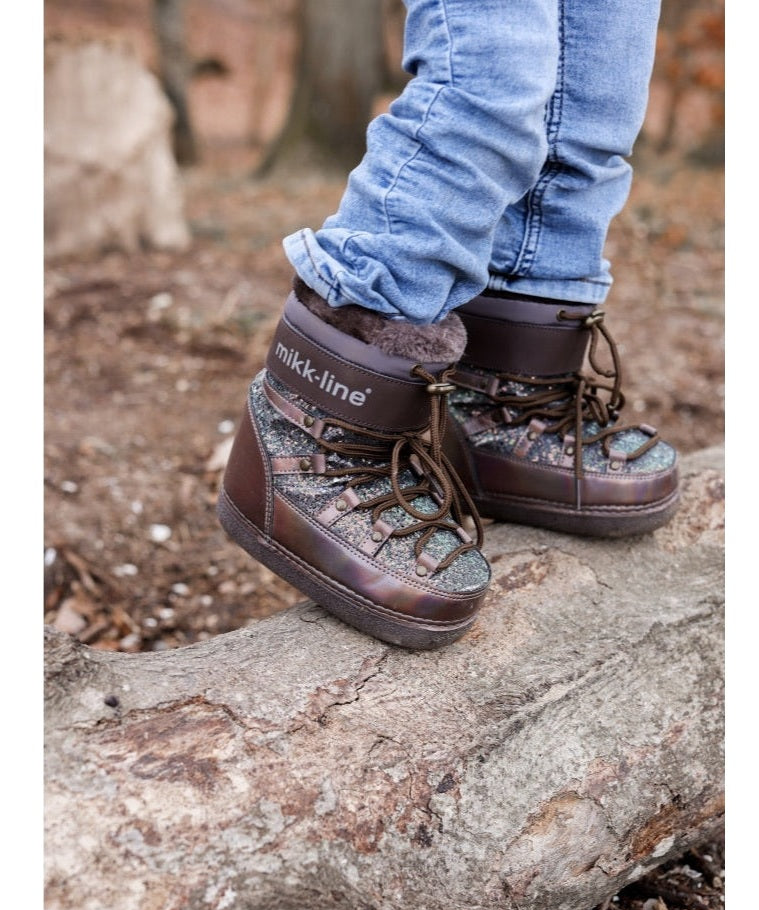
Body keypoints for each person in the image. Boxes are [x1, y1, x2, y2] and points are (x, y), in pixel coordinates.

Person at [217, 0, 678, 650]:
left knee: (589, 114)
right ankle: (310, 428)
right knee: (492, 81)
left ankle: (504, 399)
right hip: (313, 420)